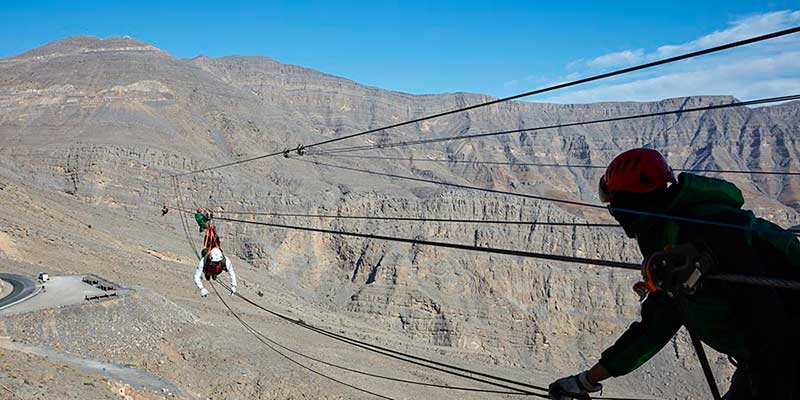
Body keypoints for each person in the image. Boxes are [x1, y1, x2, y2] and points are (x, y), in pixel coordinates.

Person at [548, 148, 800, 400]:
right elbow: (656, 325)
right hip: (766, 358)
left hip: (780, 358)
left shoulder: (706, 233)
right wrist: (586, 381)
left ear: (628, 204)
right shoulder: (675, 236)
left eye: (615, 205)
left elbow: (767, 318)